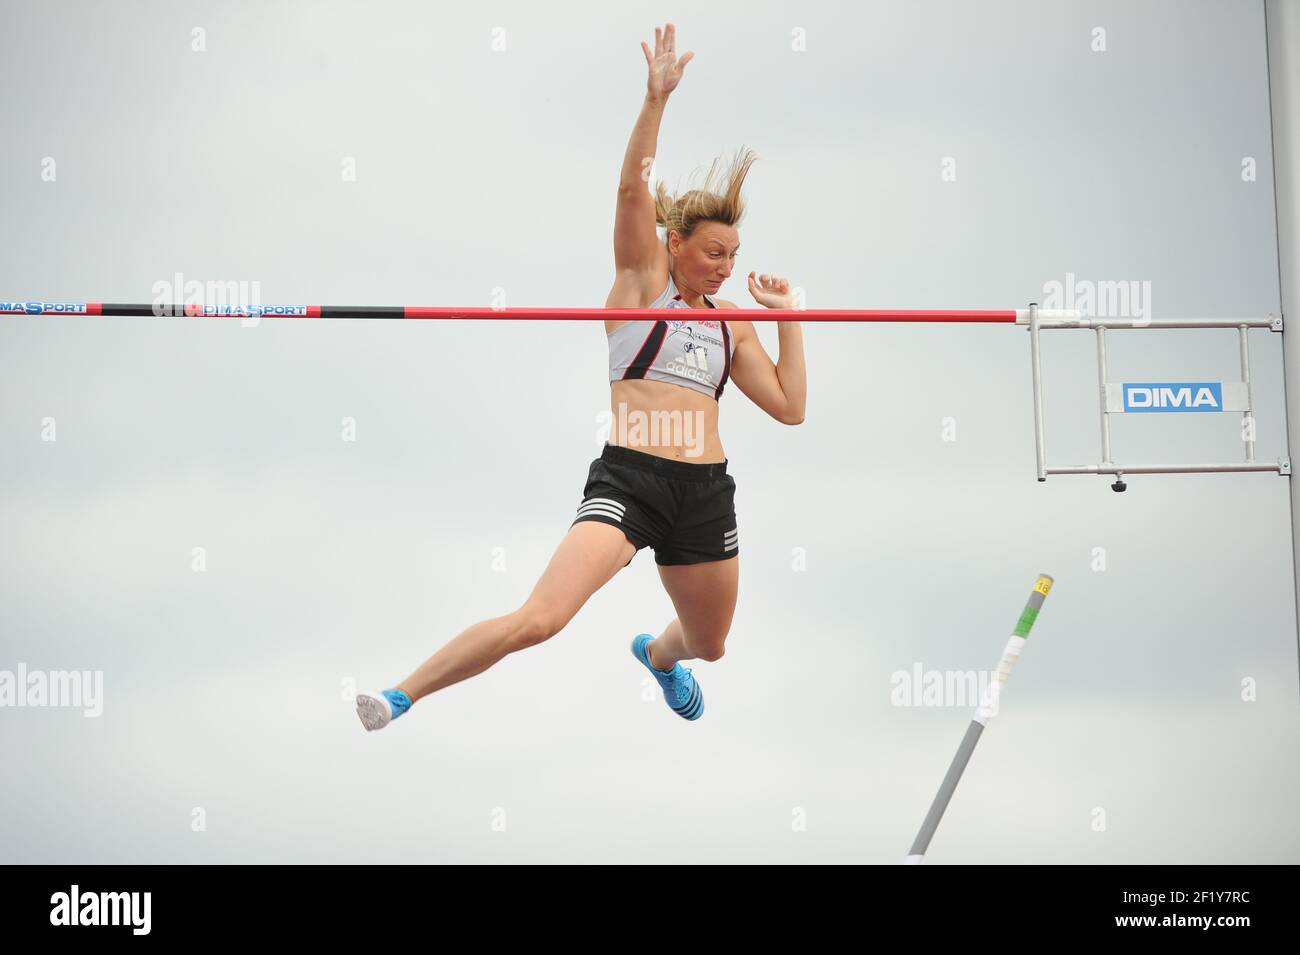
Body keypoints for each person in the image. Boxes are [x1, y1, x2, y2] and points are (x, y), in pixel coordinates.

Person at [356, 21, 806, 731]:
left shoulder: (733, 323)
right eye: (714, 252)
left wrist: (789, 316)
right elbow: (634, 189)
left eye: (734, 254)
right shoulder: (640, 285)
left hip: (704, 492)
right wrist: (655, 100)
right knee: (541, 618)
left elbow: (789, 407)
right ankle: (399, 695)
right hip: (630, 481)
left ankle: (660, 657)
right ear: (675, 244)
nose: (725, 266)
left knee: (711, 645)